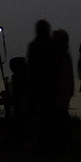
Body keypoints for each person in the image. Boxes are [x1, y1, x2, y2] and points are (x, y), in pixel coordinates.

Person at [26, 19, 59, 152]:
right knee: (50, 114)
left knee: (37, 114)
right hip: (51, 83)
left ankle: (38, 142)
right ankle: (50, 143)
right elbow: (58, 65)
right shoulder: (54, 45)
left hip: (36, 84)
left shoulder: (33, 45)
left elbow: (31, 66)